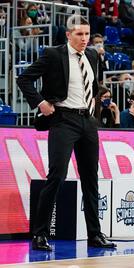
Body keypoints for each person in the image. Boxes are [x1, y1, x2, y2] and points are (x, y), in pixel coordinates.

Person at [16, 15, 116, 251]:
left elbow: (92, 86)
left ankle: (95, 234)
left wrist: (95, 112)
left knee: (91, 179)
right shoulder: (53, 54)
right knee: (56, 176)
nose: (84, 39)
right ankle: (40, 234)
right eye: (79, 34)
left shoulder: (92, 55)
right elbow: (24, 79)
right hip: (63, 120)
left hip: (88, 121)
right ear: (68, 34)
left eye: (87, 34)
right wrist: (40, 102)